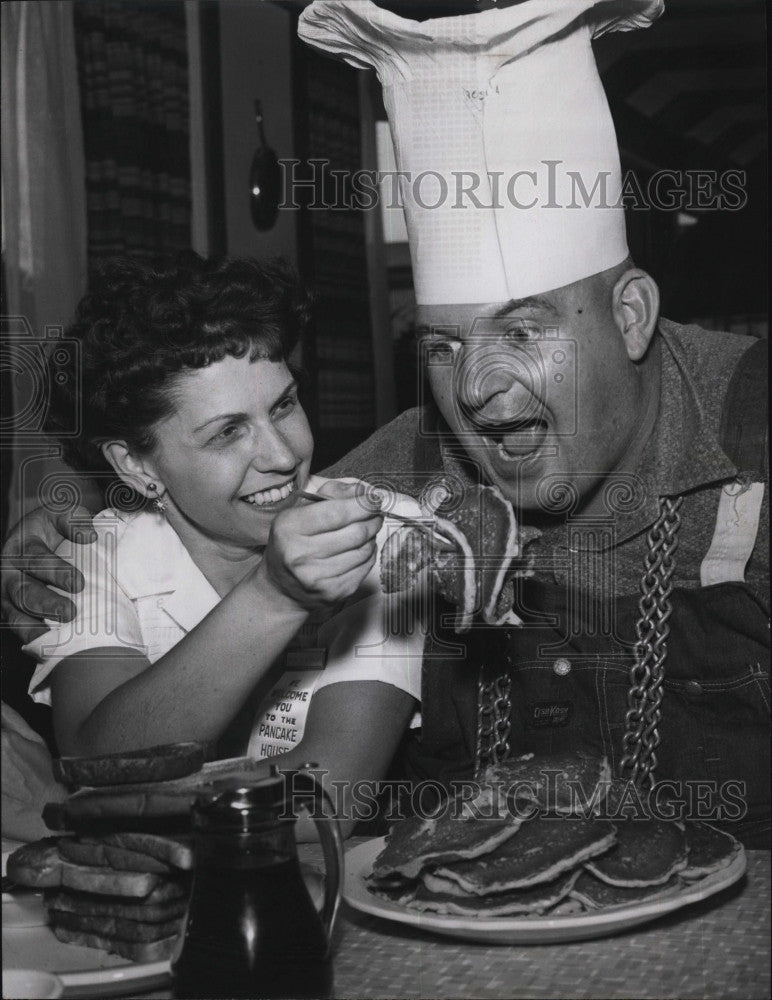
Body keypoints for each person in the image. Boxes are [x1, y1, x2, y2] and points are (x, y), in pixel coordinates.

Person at [4, 0, 769, 846]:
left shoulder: (754, 440)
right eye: (442, 342)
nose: (476, 387)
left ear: (629, 315)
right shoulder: (392, 487)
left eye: (523, 330)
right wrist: (53, 524)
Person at [4, 253, 424, 839]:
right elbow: (102, 761)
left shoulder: (380, 531)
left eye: (283, 405)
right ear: (136, 466)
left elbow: (327, 796)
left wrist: (74, 813)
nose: (282, 455)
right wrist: (274, 595)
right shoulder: (88, 555)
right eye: (227, 432)